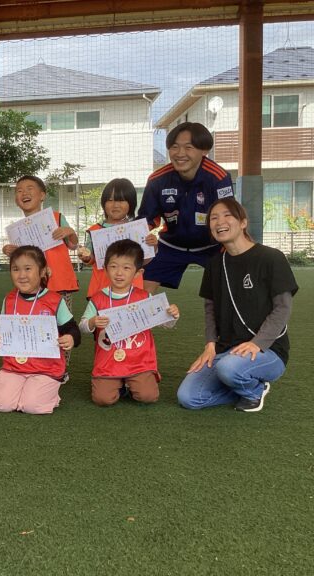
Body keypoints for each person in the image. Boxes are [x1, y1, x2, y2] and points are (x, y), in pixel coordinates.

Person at [177, 198, 298, 412]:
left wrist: (257, 343)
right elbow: (210, 309)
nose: (219, 221)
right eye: (213, 218)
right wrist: (210, 345)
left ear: (243, 222)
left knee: (229, 368)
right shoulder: (215, 264)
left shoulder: (271, 258)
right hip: (227, 350)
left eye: (227, 215)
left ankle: (253, 390)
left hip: (268, 351)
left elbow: (283, 308)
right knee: (188, 397)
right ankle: (241, 385)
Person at [79, 239, 180, 406]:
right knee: (103, 399)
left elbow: (165, 324)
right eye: (113, 266)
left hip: (139, 361)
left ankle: (132, 382)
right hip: (108, 361)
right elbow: (82, 326)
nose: (119, 273)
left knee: (148, 396)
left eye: (126, 268)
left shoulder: (144, 297)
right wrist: (92, 322)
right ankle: (120, 386)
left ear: (138, 273)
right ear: (105, 269)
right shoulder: (97, 298)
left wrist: (172, 315)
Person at [0, 246, 80, 415]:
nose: (21, 275)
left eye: (28, 269)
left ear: (42, 272)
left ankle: (49, 393)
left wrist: (70, 338)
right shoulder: (9, 299)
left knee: (31, 406)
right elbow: (0, 329)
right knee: (2, 404)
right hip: (14, 367)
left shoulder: (54, 300)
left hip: (46, 369)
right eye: (15, 269)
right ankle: (20, 390)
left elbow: (73, 329)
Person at [138, 122, 234, 292]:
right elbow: (145, 219)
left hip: (210, 247)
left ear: (204, 150)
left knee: (227, 289)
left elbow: (228, 218)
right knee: (141, 289)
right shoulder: (157, 180)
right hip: (170, 246)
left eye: (188, 147)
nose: (180, 153)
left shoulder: (218, 177)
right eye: (174, 147)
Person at [77, 178, 156, 299]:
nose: (115, 205)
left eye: (122, 200)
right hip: (101, 290)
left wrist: (153, 246)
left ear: (131, 204)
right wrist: (86, 257)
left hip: (131, 290)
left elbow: (143, 260)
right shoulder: (94, 230)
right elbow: (91, 260)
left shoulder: (138, 228)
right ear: (103, 203)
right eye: (110, 200)